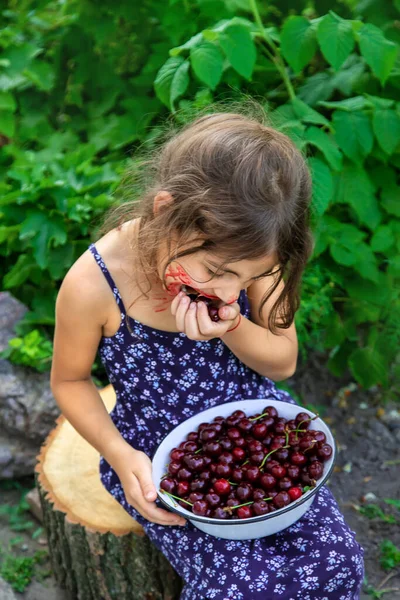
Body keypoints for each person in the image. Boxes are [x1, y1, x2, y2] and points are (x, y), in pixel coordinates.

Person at [50, 105, 365, 599]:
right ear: (165, 212)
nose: (227, 290)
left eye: (244, 279)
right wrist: (119, 453)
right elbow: (69, 381)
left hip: (260, 438)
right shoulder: (94, 285)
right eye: (217, 271)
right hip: (158, 460)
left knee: (337, 561)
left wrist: (234, 326)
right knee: (237, 586)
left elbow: (284, 360)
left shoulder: (253, 254)